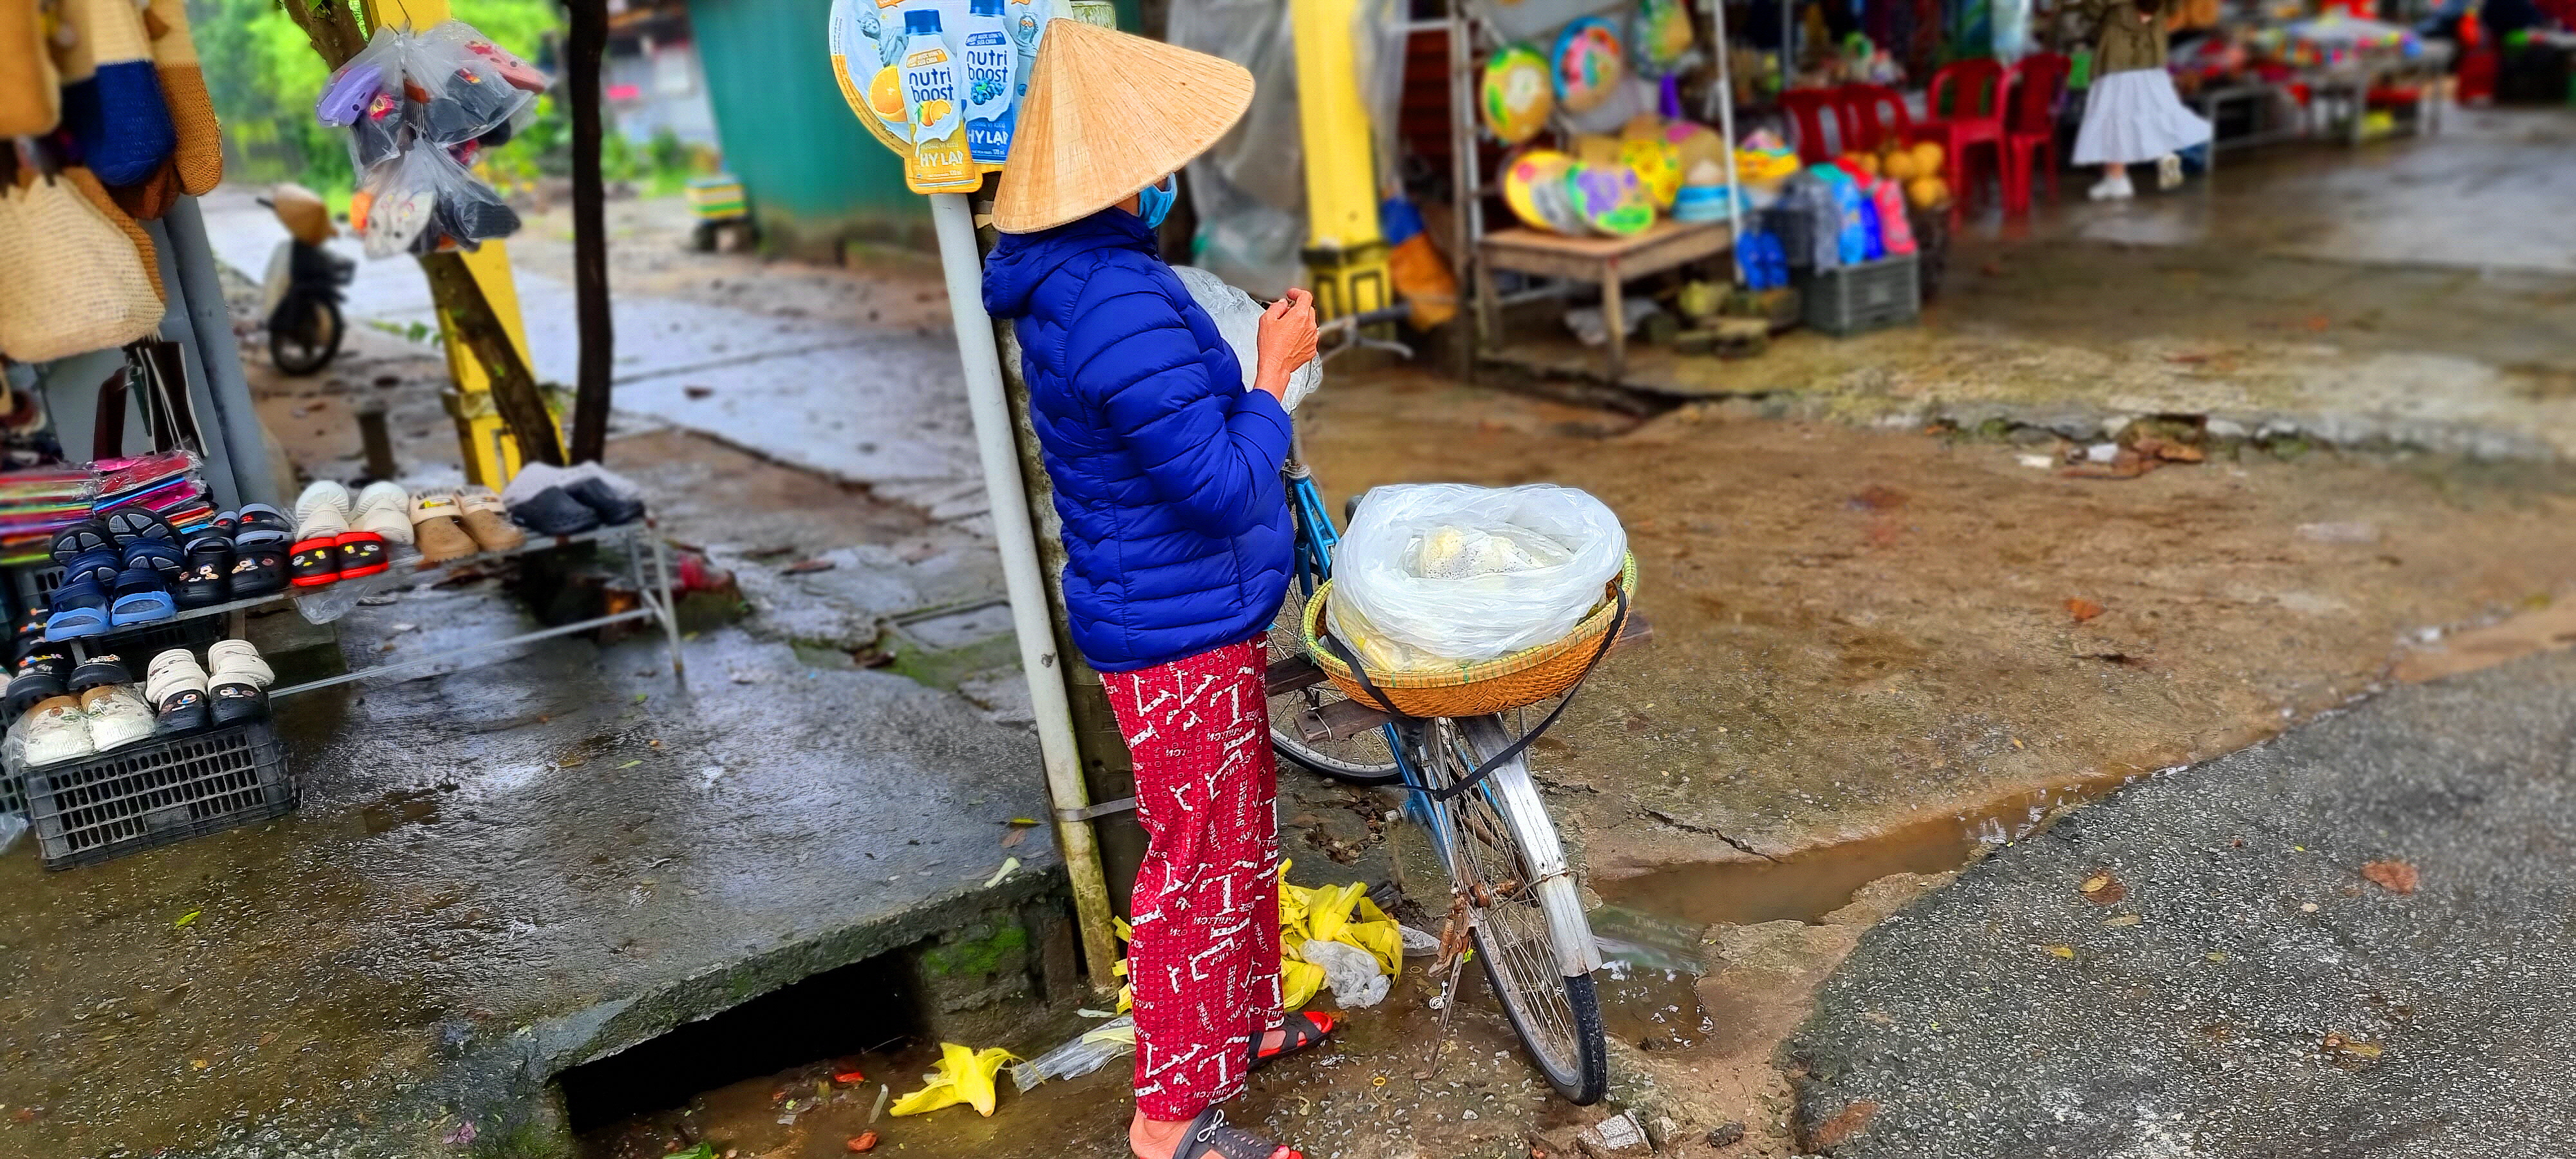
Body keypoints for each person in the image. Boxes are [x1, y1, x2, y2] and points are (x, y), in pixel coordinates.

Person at [979, 20, 1325, 1159]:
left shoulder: (1085, 279)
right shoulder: (1115, 299)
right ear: (1117, 172)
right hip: (1177, 630)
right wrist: (1272, 375)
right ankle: (1168, 1119)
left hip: (1186, 608)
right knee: (1196, 864)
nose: (1169, 171)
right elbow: (1220, 485)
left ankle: (1242, 1025)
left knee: (1237, 833)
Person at [2072, 0, 2213, 199]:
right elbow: (2172, 8)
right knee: (2157, 114)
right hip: (2148, 57)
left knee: (2115, 118)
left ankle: (2117, 178)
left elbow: (2092, 11)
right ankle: (2145, 172)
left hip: (2119, 58)